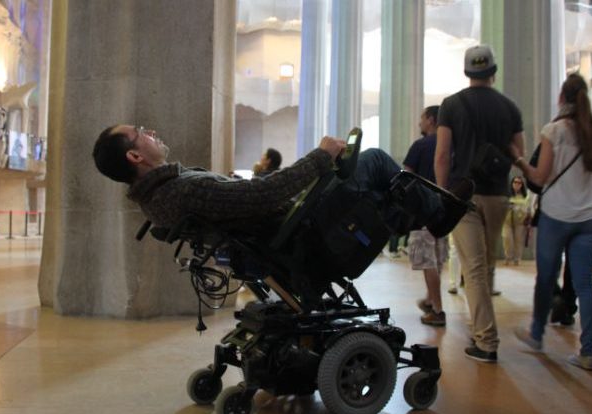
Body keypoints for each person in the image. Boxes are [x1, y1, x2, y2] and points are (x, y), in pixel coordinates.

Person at [92, 125, 456, 236]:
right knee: (375, 160)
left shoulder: (161, 196)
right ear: (135, 157)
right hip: (304, 221)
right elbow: (264, 193)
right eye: (140, 133)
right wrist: (320, 156)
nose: (151, 132)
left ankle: (418, 215)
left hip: (291, 221)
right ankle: (439, 216)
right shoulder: (181, 189)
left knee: (375, 187)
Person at [434, 45, 525, 363]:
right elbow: (518, 154)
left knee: (472, 269)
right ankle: (481, 332)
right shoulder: (510, 107)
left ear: (467, 72)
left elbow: (443, 154)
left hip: (464, 195)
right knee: (484, 267)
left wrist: (442, 193)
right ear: (493, 72)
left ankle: (486, 342)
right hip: (498, 194)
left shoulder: (451, 105)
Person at [512, 73, 592, 371]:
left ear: (562, 99)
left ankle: (536, 334)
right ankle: (588, 352)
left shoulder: (554, 131)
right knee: (585, 285)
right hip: (590, 217)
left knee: (546, 277)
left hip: (557, 216)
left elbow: (539, 177)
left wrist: (520, 160)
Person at [404, 106, 448, 326]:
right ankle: (431, 301)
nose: (420, 122)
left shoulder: (420, 146)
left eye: (422, 118)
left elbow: (405, 176)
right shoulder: (450, 145)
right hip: (445, 212)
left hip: (422, 212)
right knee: (437, 259)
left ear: (431, 120)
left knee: (427, 260)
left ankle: (438, 310)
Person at [502, 176, 530, 266]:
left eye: (519, 183)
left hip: (520, 222)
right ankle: (508, 257)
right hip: (507, 221)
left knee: (519, 240)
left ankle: (517, 258)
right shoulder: (506, 194)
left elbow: (528, 208)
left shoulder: (525, 196)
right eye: (515, 182)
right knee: (507, 238)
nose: (517, 184)